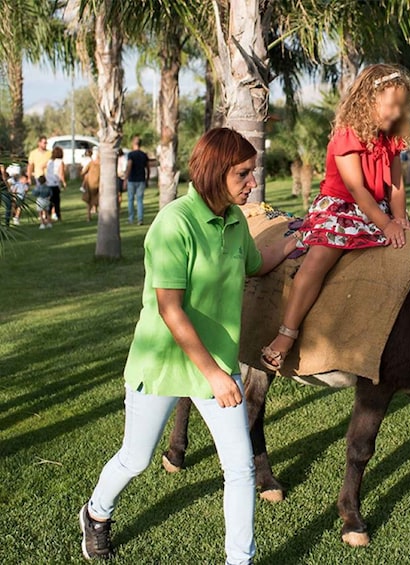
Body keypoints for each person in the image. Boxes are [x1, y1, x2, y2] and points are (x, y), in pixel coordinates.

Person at [78, 127, 299, 564]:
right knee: (135, 458)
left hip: (217, 364)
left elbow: (256, 265)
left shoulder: (236, 221)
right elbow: (170, 310)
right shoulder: (173, 223)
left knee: (239, 469)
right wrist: (215, 375)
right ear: (216, 173)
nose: (252, 183)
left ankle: (240, 559)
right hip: (164, 363)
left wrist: (298, 241)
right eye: (243, 174)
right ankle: (96, 514)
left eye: (251, 173)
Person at [259, 63, 410, 371]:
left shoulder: (392, 139)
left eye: (402, 107)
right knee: (320, 258)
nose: (397, 113)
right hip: (343, 207)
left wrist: (399, 219)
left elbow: (397, 186)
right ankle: (286, 335)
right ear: (369, 100)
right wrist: (385, 224)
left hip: (380, 209)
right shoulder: (347, 136)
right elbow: (357, 189)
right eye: (391, 106)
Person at [125, 136, 150, 225]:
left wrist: (125, 179)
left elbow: (129, 166)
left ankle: (131, 218)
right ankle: (140, 219)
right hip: (141, 179)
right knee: (140, 200)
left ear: (133, 144)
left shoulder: (131, 155)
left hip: (132, 180)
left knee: (131, 199)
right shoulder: (144, 155)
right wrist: (147, 179)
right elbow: (148, 168)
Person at [45, 146, 66, 221]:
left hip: (48, 183)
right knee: (56, 201)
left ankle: (48, 215)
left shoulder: (49, 161)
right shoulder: (60, 162)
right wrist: (64, 182)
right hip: (55, 184)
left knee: (50, 201)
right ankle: (58, 215)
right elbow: (61, 174)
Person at [81, 150, 101, 222]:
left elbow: (83, 171)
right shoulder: (101, 164)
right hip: (99, 183)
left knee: (88, 201)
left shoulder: (91, 163)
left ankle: (88, 217)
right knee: (99, 200)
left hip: (90, 184)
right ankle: (99, 215)